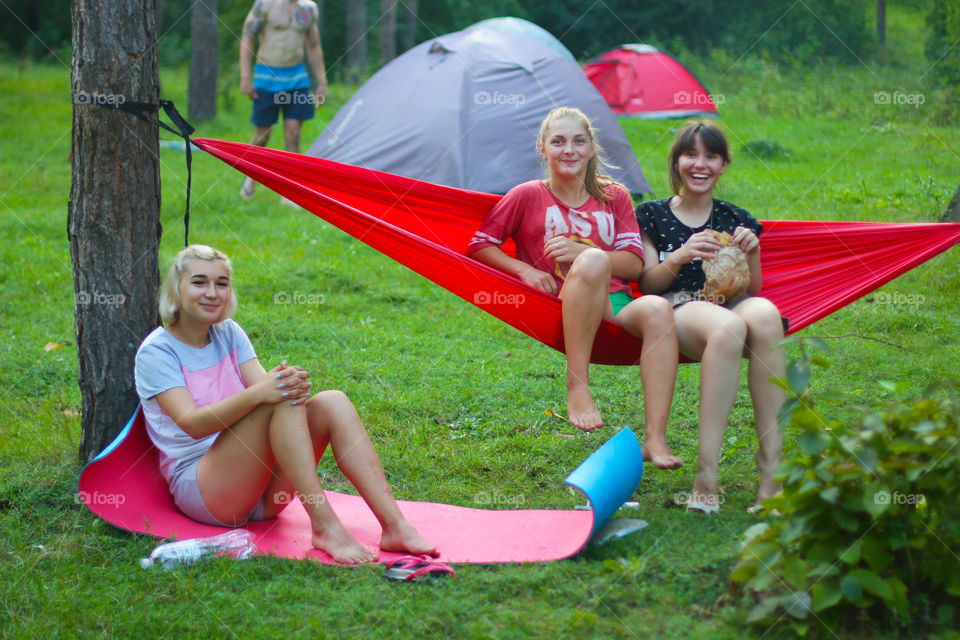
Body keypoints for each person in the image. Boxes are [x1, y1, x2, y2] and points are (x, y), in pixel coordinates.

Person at [134, 245, 437, 564]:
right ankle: (324, 526)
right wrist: (269, 390)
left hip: (262, 493)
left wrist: (286, 382)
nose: (212, 292)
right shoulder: (158, 353)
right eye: (199, 282)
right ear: (176, 290)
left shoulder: (228, 333)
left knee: (331, 401)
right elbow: (192, 423)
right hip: (207, 492)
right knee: (276, 396)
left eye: (221, 283)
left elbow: (266, 391)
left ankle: (395, 525)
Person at [467, 106, 683, 470]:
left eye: (578, 141)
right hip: (561, 307)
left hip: (614, 305)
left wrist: (586, 251)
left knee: (659, 309)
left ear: (591, 148)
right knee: (595, 261)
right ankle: (577, 384)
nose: (569, 150)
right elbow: (480, 245)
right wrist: (522, 269)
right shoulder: (526, 195)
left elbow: (633, 263)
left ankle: (655, 440)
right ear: (543, 148)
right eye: (559, 141)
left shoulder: (614, 197)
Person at [635, 121, 785, 513]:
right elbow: (647, 284)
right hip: (679, 307)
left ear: (723, 165)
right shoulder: (651, 215)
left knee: (767, 314)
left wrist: (751, 251)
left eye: (711, 156)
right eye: (691, 154)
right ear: (677, 161)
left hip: (730, 302)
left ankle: (772, 468)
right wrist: (683, 254)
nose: (700, 164)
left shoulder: (736, 217)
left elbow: (752, 290)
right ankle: (707, 474)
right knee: (730, 324)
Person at [238, 0, 327, 200]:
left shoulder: (309, 9)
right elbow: (247, 37)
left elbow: (313, 46)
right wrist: (245, 77)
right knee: (262, 136)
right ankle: (250, 178)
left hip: (297, 79)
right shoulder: (264, 5)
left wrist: (322, 82)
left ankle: (291, 190)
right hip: (266, 77)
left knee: (294, 134)